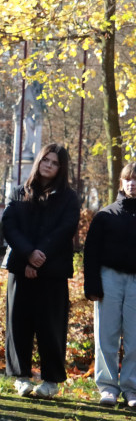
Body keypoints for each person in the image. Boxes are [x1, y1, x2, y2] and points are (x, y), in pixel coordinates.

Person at [2, 143, 80, 399]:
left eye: (55, 162)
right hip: (20, 267)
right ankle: (21, 377)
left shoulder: (69, 198)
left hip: (52, 271)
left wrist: (39, 257)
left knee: (51, 327)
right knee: (18, 324)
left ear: (61, 168)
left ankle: (51, 380)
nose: (48, 165)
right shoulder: (19, 192)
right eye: (45, 159)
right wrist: (27, 255)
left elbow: (65, 229)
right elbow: (10, 226)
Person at [83, 161, 136, 408]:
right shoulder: (105, 215)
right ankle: (107, 387)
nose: (132, 184)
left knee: (135, 338)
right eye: (128, 179)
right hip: (109, 279)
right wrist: (92, 286)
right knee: (107, 335)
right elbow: (91, 253)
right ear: (121, 182)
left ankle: (131, 387)